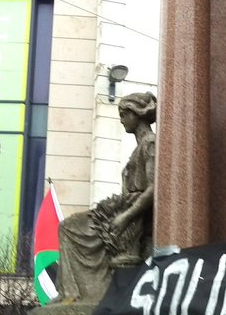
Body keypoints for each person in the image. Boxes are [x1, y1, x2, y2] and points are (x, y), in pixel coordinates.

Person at [57, 92, 157, 302]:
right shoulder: (140, 147)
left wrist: (125, 217)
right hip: (124, 213)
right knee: (69, 226)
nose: (121, 120)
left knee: (69, 228)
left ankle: (77, 293)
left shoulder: (150, 143)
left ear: (136, 114)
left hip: (133, 219)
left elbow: (153, 188)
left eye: (123, 114)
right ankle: (72, 292)